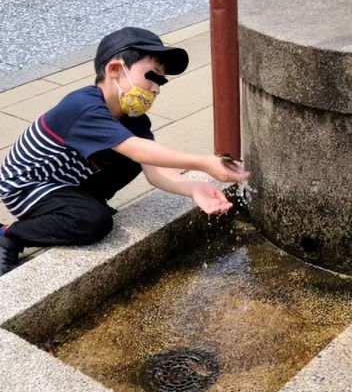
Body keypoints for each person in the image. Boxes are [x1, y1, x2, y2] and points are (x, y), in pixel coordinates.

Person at [0, 27, 250, 275]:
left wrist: (192, 189)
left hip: (67, 183)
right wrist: (205, 163)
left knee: (134, 158)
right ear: (115, 70)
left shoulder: (132, 118)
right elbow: (138, 149)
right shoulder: (83, 107)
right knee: (94, 221)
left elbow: (154, 168)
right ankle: (9, 236)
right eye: (151, 76)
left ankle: (82, 205)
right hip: (26, 187)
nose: (156, 89)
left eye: (161, 82)